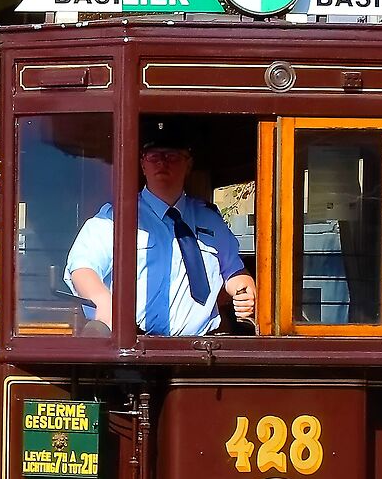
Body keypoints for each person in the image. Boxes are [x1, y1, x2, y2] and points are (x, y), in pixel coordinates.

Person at [67, 122, 256, 338]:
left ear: (188, 164)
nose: (162, 163)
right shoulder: (116, 218)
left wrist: (244, 289)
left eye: (171, 156)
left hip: (202, 348)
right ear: (143, 164)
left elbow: (233, 271)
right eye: (153, 156)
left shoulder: (210, 220)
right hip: (136, 346)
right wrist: (104, 301)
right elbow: (82, 268)